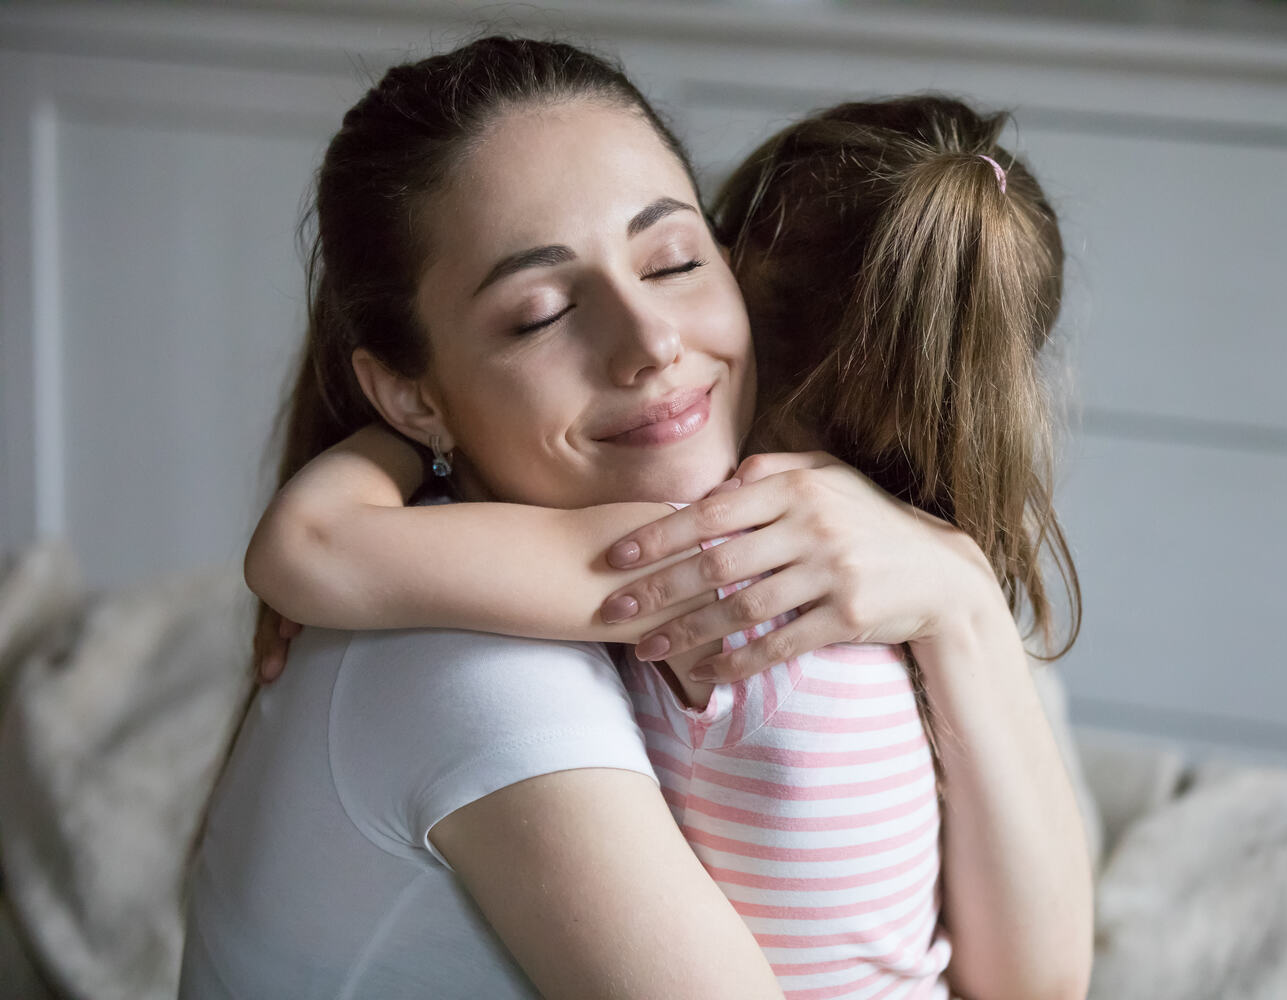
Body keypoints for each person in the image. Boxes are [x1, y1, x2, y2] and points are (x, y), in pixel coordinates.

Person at [184, 34, 1092, 1000]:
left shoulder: (831, 562)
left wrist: (960, 593)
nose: (652, 343)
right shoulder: (478, 669)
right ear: (410, 390)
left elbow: (1039, 983)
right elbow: (311, 549)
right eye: (538, 314)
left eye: (671, 261)